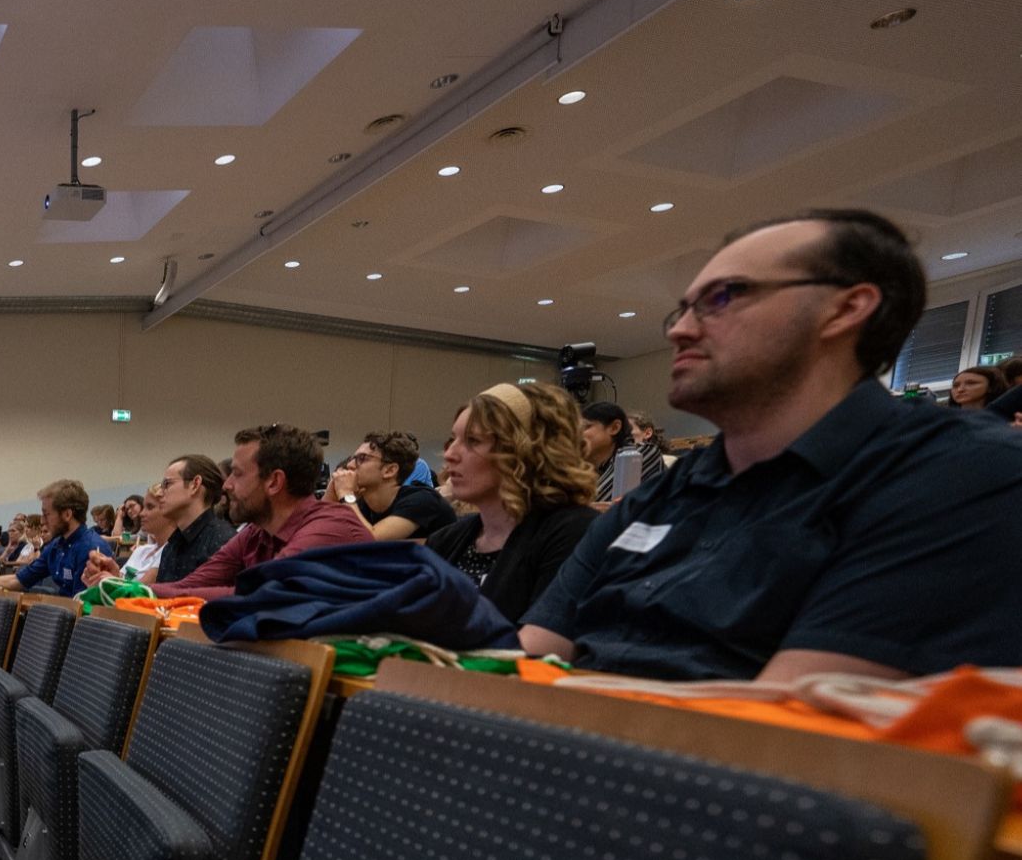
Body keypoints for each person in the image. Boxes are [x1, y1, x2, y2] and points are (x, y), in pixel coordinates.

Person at [521, 207, 1022, 682]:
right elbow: (527, 659)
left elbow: (787, 726)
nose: (680, 330)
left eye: (722, 298)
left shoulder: (960, 474)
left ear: (845, 308)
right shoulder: (661, 496)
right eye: (682, 310)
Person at [87, 425, 369, 599]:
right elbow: (189, 587)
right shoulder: (257, 534)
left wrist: (137, 591)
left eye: (236, 474)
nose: (227, 485)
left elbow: (262, 594)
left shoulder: (329, 526)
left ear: (274, 482)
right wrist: (124, 586)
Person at [423, 384, 602, 624]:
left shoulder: (574, 532)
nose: (449, 455)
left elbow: (542, 646)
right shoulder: (445, 541)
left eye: (473, 441)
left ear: (525, 450)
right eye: (453, 439)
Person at [0, 479, 109, 597]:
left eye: (46, 514)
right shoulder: (56, 546)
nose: (42, 521)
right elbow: (16, 579)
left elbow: (85, 607)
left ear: (67, 514)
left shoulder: (92, 549)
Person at [327, 430, 455, 540]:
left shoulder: (422, 499)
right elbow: (322, 533)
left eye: (362, 458)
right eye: (353, 459)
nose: (350, 465)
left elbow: (371, 539)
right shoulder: (363, 505)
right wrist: (331, 494)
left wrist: (346, 494)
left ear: (389, 470)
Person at [144, 453, 235, 586]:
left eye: (167, 484)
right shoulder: (171, 546)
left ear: (195, 484)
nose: (159, 493)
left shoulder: (223, 542)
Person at [577, 401, 634, 502]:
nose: (578, 433)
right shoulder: (580, 462)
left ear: (614, 428)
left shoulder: (638, 455)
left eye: (586, 427)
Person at [121, 487, 174, 580]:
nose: (141, 514)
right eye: (126, 509)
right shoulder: (141, 550)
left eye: (150, 507)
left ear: (170, 511)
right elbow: (121, 580)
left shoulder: (171, 552)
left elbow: (137, 591)